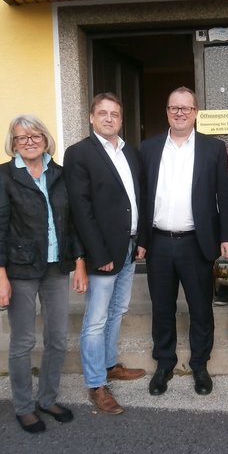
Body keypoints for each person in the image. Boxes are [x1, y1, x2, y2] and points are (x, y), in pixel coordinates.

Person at [0, 115, 87, 433]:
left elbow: (72, 221)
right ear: (12, 143)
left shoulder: (59, 173)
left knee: (57, 338)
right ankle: (24, 406)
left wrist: (79, 262)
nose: (29, 141)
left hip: (56, 268)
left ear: (45, 138)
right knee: (23, 341)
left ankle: (47, 398)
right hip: (20, 269)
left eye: (35, 135)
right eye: (21, 137)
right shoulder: (2, 176)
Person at [139, 87, 228, 396]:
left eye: (186, 108)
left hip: (197, 242)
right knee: (162, 308)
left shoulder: (213, 149)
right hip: (159, 242)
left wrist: (227, 236)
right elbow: (142, 198)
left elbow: (225, 195)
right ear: (167, 112)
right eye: (174, 108)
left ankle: (200, 365)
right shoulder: (149, 148)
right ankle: (164, 364)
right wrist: (141, 239)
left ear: (196, 112)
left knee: (200, 308)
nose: (179, 113)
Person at [64, 93, 146, 416]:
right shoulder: (79, 154)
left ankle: (110, 364)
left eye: (115, 114)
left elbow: (135, 198)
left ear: (121, 119)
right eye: (103, 113)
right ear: (91, 117)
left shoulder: (129, 152)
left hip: (128, 246)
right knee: (96, 319)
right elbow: (80, 209)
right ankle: (97, 384)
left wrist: (140, 239)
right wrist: (96, 253)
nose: (109, 118)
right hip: (103, 252)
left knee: (118, 309)